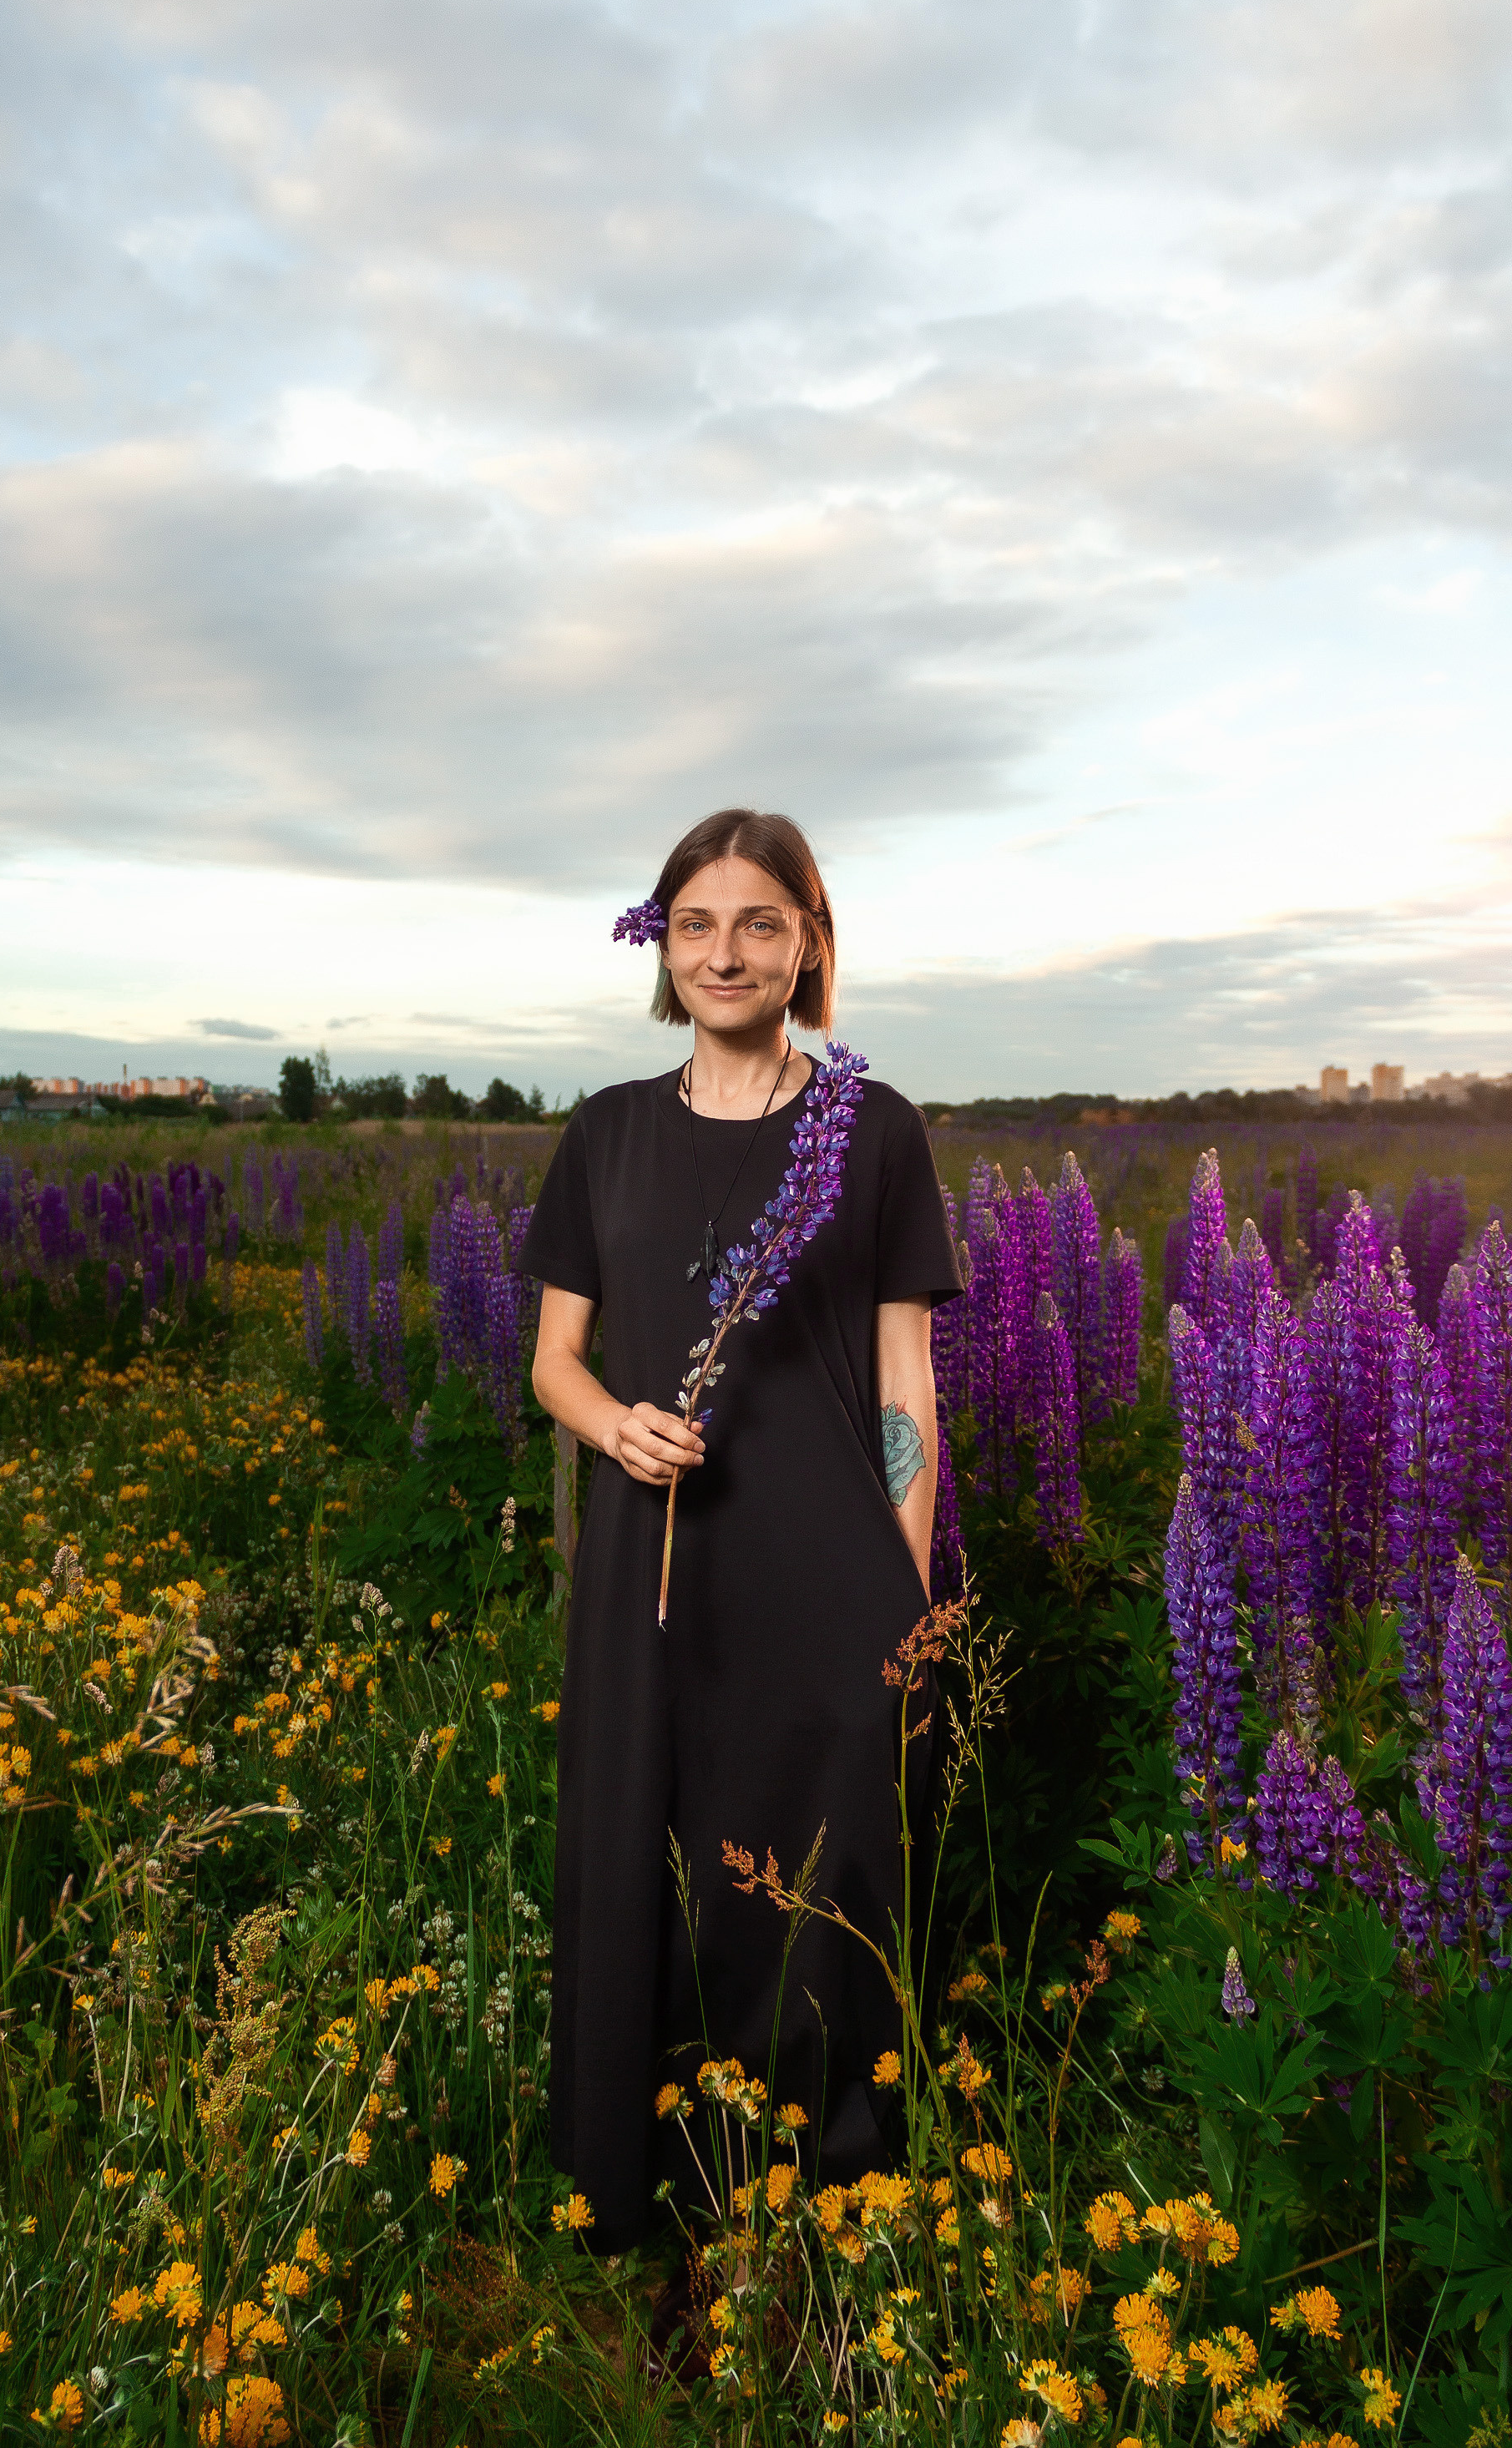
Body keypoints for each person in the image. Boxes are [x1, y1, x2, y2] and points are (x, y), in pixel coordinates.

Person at [518, 807, 963, 2257]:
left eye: (761, 923)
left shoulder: (876, 1130)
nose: (726, 952)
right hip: (657, 1566)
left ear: (808, 945)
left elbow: (905, 1382)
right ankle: (658, 2194)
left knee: (821, 1872)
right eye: (696, 924)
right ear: (663, 947)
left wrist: (905, 1597)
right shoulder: (607, 1132)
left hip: (834, 1576)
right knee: (652, 1855)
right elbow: (555, 1361)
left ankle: (824, 2205)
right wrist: (614, 1427)